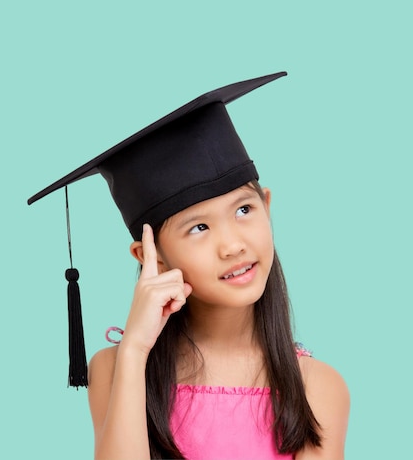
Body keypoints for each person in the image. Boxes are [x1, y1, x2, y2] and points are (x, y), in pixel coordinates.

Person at [28, 73, 349, 459]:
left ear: (267, 204)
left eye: (245, 209)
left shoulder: (315, 386)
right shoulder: (116, 369)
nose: (232, 245)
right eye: (198, 227)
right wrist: (135, 351)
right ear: (151, 257)